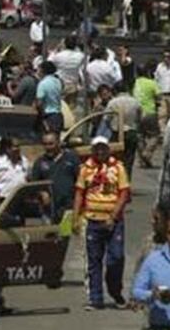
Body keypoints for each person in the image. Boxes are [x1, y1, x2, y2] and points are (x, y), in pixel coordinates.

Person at [74, 135, 130, 310]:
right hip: (92, 220)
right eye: (96, 148)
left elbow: (124, 193)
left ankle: (115, 291)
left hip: (114, 221)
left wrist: (113, 216)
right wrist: (76, 217)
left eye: (103, 148)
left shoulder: (118, 168)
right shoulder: (85, 169)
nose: (100, 152)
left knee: (116, 258)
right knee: (94, 261)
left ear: (108, 149)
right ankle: (95, 298)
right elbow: (79, 193)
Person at [30, 130, 81, 220]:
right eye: (45, 144)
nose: (48, 147)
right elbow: (34, 184)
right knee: (49, 233)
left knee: (65, 232)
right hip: (49, 210)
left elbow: (80, 180)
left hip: (68, 207)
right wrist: (41, 193)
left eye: (51, 144)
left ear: (58, 143)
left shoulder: (71, 158)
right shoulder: (40, 162)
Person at [102, 83, 141, 180]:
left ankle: (115, 181)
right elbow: (139, 117)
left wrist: (111, 127)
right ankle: (126, 182)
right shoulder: (135, 102)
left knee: (114, 160)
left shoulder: (113, 102)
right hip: (131, 132)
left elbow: (106, 118)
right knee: (129, 160)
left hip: (117, 133)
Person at [134, 62, 162, 168]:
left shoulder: (135, 83)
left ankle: (142, 158)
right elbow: (159, 96)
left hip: (137, 113)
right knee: (155, 135)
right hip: (149, 111)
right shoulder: (151, 83)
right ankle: (147, 152)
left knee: (140, 136)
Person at [35, 61, 64, 133]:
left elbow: (39, 103)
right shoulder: (58, 81)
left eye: (38, 69)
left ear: (42, 71)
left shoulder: (42, 84)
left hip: (48, 116)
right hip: (58, 115)